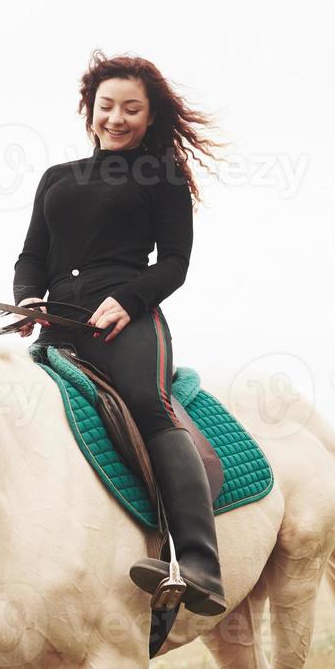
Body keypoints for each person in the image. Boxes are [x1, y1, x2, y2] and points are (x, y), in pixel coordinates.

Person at [13, 50, 227, 617]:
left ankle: (200, 563)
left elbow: (174, 264)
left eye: (131, 109)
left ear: (149, 117)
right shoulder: (56, 178)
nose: (117, 117)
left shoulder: (163, 176)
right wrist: (27, 298)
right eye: (106, 106)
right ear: (90, 110)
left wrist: (127, 302)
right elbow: (32, 255)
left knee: (147, 403)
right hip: (59, 320)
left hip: (127, 318)